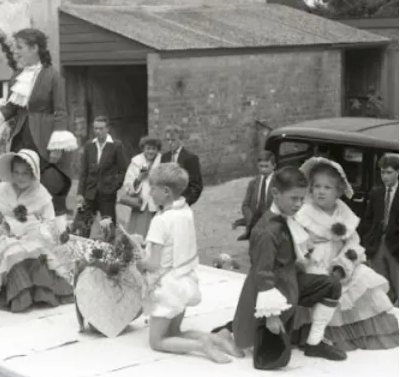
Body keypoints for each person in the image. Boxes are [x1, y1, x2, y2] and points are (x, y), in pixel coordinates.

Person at [214, 166, 347, 370]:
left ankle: (314, 343)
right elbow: (263, 274)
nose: (299, 204)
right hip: (273, 291)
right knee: (270, 359)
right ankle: (228, 332)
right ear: (275, 194)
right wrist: (272, 314)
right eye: (294, 198)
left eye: (302, 199)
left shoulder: (286, 219)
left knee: (331, 285)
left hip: (290, 282)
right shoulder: (267, 231)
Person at [137, 163, 241, 363]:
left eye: (153, 188)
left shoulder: (160, 221)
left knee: (157, 341)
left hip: (166, 287)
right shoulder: (185, 211)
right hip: (185, 280)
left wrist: (138, 260)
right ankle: (217, 339)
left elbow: (154, 264)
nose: (150, 192)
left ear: (166, 192)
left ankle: (201, 345)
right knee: (175, 331)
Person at [292, 157, 398, 351]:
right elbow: (297, 242)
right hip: (315, 261)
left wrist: (344, 264)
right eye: (316, 186)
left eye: (327, 187)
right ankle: (315, 337)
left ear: (339, 191)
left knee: (363, 278)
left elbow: (353, 243)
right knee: (320, 286)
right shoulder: (304, 212)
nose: (321, 191)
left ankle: (355, 331)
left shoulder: (343, 211)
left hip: (341, 261)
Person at [0, 28, 78, 232]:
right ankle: (17, 230)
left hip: (45, 140)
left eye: (20, 48)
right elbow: (12, 108)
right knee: (18, 184)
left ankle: (55, 234)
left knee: (49, 186)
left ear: (35, 48)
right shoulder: (17, 77)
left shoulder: (53, 77)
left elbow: (60, 111)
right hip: (22, 138)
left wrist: (57, 146)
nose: (17, 52)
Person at [0, 149, 74, 312]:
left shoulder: (40, 193)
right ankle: (21, 293)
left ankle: (39, 290)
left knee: (35, 250)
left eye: (25, 173)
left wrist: (37, 232)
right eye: (16, 172)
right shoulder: (2, 191)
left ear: (34, 173)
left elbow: (48, 221)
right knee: (11, 250)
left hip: (34, 233)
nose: (20, 177)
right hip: (8, 234)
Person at [359, 153, 399, 305]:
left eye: (389, 172)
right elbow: (367, 220)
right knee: (380, 284)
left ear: (398, 172)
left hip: (396, 245)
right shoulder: (376, 193)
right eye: (382, 172)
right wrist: (366, 241)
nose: (385, 176)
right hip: (377, 244)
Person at [77, 115, 127, 235]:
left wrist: (113, 187)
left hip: (107, 195)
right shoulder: (89, 146)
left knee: (108, 229)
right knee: (83, 227)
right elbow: (84, 171)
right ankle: (82, 252)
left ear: (107, 128)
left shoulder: (116, 145)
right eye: (95, 128)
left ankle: (110, 252)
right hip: (89, 194)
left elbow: (123, 170)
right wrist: (80, 193)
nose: (98, 131)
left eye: (101, 128)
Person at [122, 136, 162, 237]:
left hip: (157, 203)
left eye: (154, 149)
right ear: (143, 148)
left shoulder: (162, 161)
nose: (150, 151)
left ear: (157, 149)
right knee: (139, 235)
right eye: (148, 148)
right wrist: (139, 178)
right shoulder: (136, 162)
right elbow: (127, 184)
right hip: (141, 204)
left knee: (157, 234)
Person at [235, 151, 276, 241]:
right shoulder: (253, 183)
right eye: (261, 166)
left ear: (274, 166)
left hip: (271, 221)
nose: (263, 169)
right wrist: (251, 220)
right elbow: (245, 205)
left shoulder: (278, 182)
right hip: (255, 221)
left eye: (266, 166)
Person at [161, 125, 203, 206]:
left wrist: (185, 202)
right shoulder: (164, 157)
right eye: (168, 140)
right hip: (166, 203)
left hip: (182, 202)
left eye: (173, 140)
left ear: (180, 140)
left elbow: (196, 186)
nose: (170, 143)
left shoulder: (190, 158)